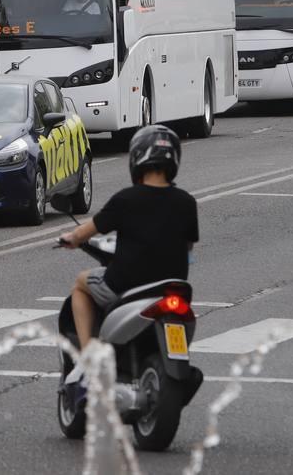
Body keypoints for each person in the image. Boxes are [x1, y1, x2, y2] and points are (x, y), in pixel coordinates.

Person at [58, 124, 199, 387]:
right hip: (172, 288)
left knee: (81, 283)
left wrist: (70, 239)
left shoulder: (125, 200)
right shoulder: (187, 202)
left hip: (126, 285)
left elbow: (84, 233)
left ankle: (89, 357)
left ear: (137, 158)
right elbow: (188, 247)